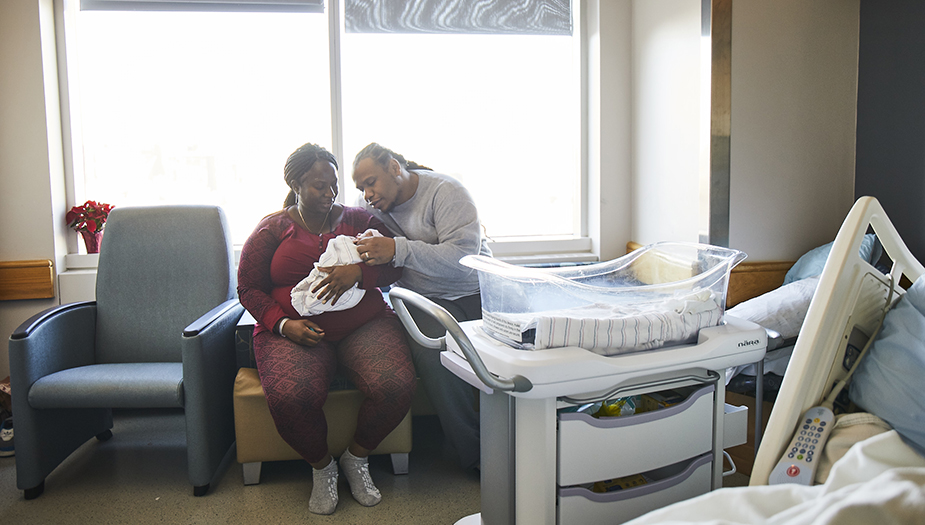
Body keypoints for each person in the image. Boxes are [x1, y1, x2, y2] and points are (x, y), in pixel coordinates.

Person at [237, 143, 416, 515]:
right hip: (294, 332)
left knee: (395, 384)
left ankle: (357, 458)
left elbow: (395, 265)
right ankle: (323, 467)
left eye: (334, 185)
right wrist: (283, 325)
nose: (330, 194)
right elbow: (248, 288)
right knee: (291, 398)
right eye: (320, 186)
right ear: (296, 184)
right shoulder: (273, 228)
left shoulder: (359, 220)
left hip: (363, 324)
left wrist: (360, 273)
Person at [351, 143, 491, 472]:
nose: (367, 194)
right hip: (421, 298)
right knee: (434, 353)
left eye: (371, 182)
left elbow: (463, 261)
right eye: (361, 188)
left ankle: (527, 435)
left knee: (515, 347)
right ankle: (474, 455)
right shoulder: (370, 208)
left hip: (476, 290)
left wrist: (397, 249)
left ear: (395, 169)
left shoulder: (447, 193)